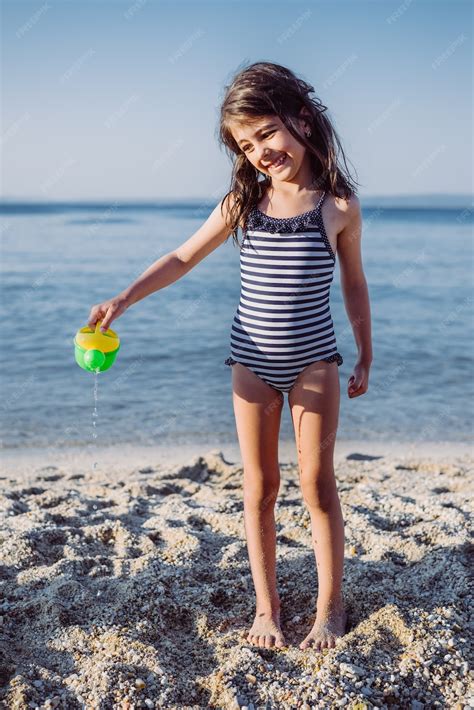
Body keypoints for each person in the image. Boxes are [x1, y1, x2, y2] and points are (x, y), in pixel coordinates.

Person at [88, 61, 372, 652]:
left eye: (267, 133)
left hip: (315, 359)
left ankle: (329, 608)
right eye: (246, 144)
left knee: (318, 485)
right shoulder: (242, 204)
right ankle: (266, 609)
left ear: (301, 120)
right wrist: (124, 297)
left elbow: (353, 284)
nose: (261, 151)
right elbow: (182, 258)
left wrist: (365, 350)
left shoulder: (337, 207)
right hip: (251, 363)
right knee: (259, 486)